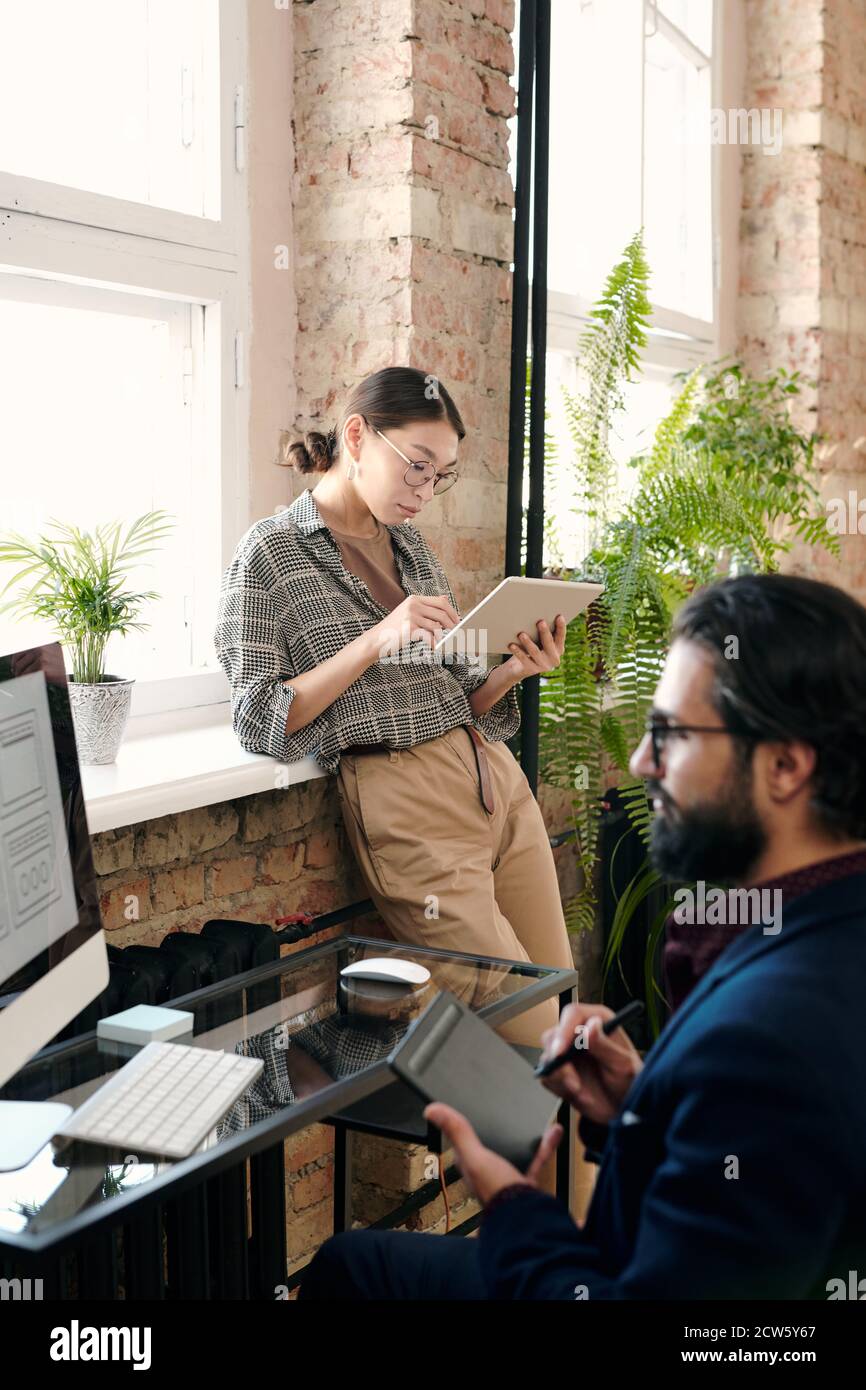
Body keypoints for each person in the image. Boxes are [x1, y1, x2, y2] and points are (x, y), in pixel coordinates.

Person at [298, 572, 866, 1300]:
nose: (639, 764)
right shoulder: (821, 926)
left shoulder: (767, 1034)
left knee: (354, 1269)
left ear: (786, 766)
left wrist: (515, 1211)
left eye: (668, 735)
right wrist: (643, 1102)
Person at [214, 366, 575, 1058]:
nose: (425, 490)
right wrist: (377, 639)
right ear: (357, 435)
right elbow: (259, 716)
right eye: (417, 465)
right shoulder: (270, 553)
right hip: (406, 807)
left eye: (442, 475)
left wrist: (514, 671)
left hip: (491, 780)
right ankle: (579, 1167)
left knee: (561, 1008)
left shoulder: (411, 548)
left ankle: (590, 1167)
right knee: (523, 1033)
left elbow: (460, 697)